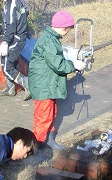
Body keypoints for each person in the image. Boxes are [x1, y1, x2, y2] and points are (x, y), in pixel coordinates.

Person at [28, 11, 86, 150]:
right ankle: (37, 149)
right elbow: (58, 64)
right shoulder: (49, 41)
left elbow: (55, 60)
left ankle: (49, 140)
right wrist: (74, 65)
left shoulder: (51, 38)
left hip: (48, 83)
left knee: (52, 113)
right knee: (43, 117)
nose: (67, 33)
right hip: (44, 85)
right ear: (64, 27)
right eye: (68, 30)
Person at [0, 0, 31, 101]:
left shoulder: (11, 3)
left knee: (7, 66)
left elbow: (11, 24)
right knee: (9, 61)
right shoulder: (21, 0)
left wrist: (5, 41)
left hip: (14, 39)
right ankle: (10, 88)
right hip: (20, 37)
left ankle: (27, 84)